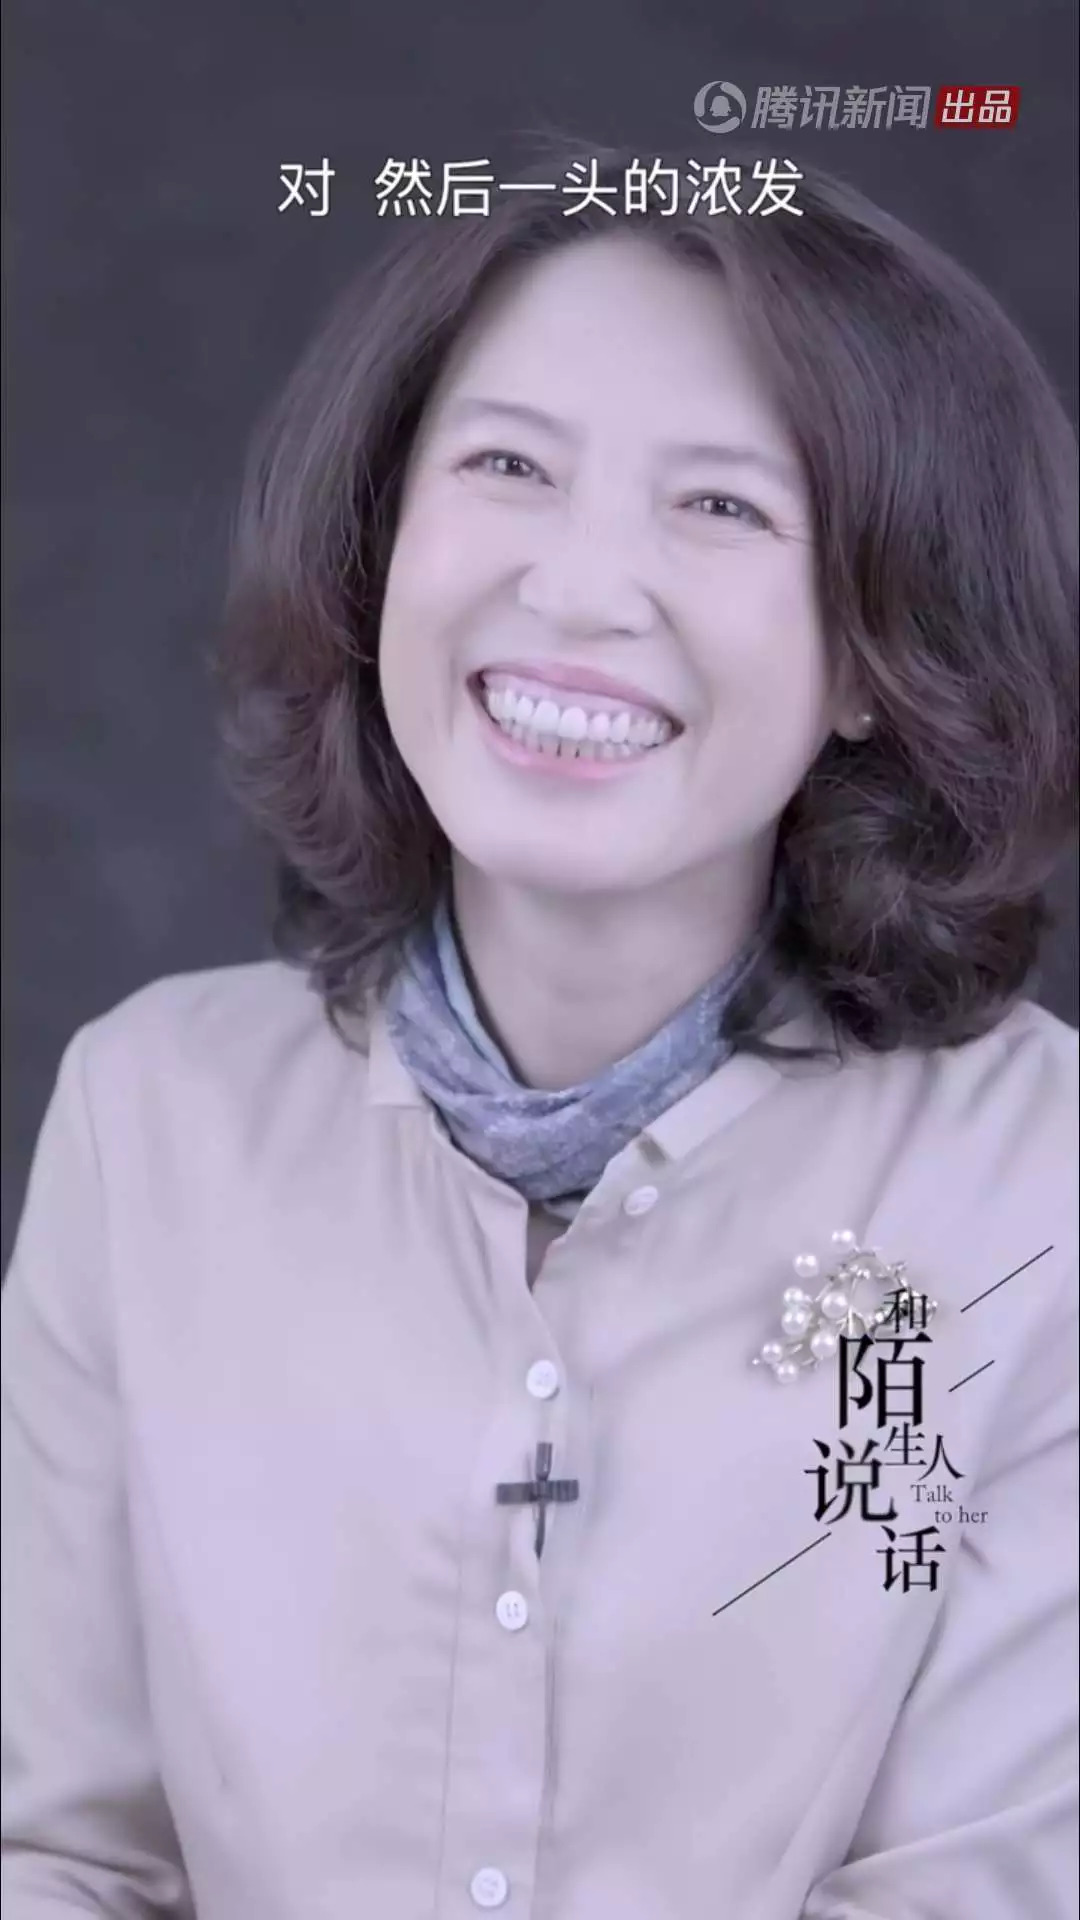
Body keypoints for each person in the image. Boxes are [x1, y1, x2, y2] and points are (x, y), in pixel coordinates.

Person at [2, 136, 1077, 1919]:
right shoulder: (150, 1118)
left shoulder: (1033, 1190)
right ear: (380, 543)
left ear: (876, 650)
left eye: (721, 505)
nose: (580, 589)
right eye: (508, 465)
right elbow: (55, 1850)